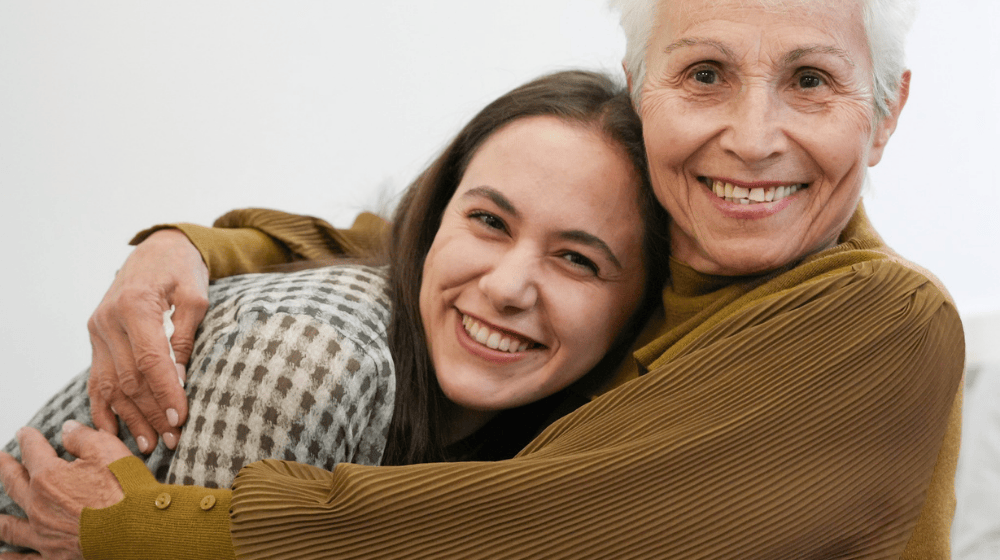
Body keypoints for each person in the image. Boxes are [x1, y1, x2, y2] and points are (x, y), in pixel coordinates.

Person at [0, 0, 965, 558]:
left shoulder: (881, 317)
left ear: (884, 115)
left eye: (811, 81)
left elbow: (543, 532)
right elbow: (411, 239)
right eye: (705, 74)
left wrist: (153, 534)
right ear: (641, 91)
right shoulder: (676, 252)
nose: (752, 139)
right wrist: (189, 249)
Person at [0, 69, 670, 554]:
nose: (506, 288)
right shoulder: (313, 356)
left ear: (642, 304)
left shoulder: (565, 444)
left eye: (578, 259)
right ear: (433, 222)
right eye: (489, 220)